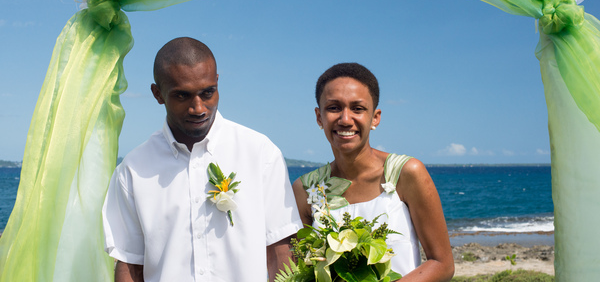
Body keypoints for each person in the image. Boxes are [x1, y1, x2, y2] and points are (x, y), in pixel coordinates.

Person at [102, 37, 301, 282]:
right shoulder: (133, 170)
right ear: (157, 94)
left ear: (217, 82)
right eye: (182, 96)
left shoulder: (260, 154)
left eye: (207, 93)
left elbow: (280, 250)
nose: (198, 108)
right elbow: (130, 265)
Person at [292, 63, 455, 281]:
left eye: (358, 108)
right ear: (319, 117)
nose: (345, 119)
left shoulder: (406, 173)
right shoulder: (306, 189)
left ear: (375, 117)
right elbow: (301, 269)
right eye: (333, 108)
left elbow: (442, 264)